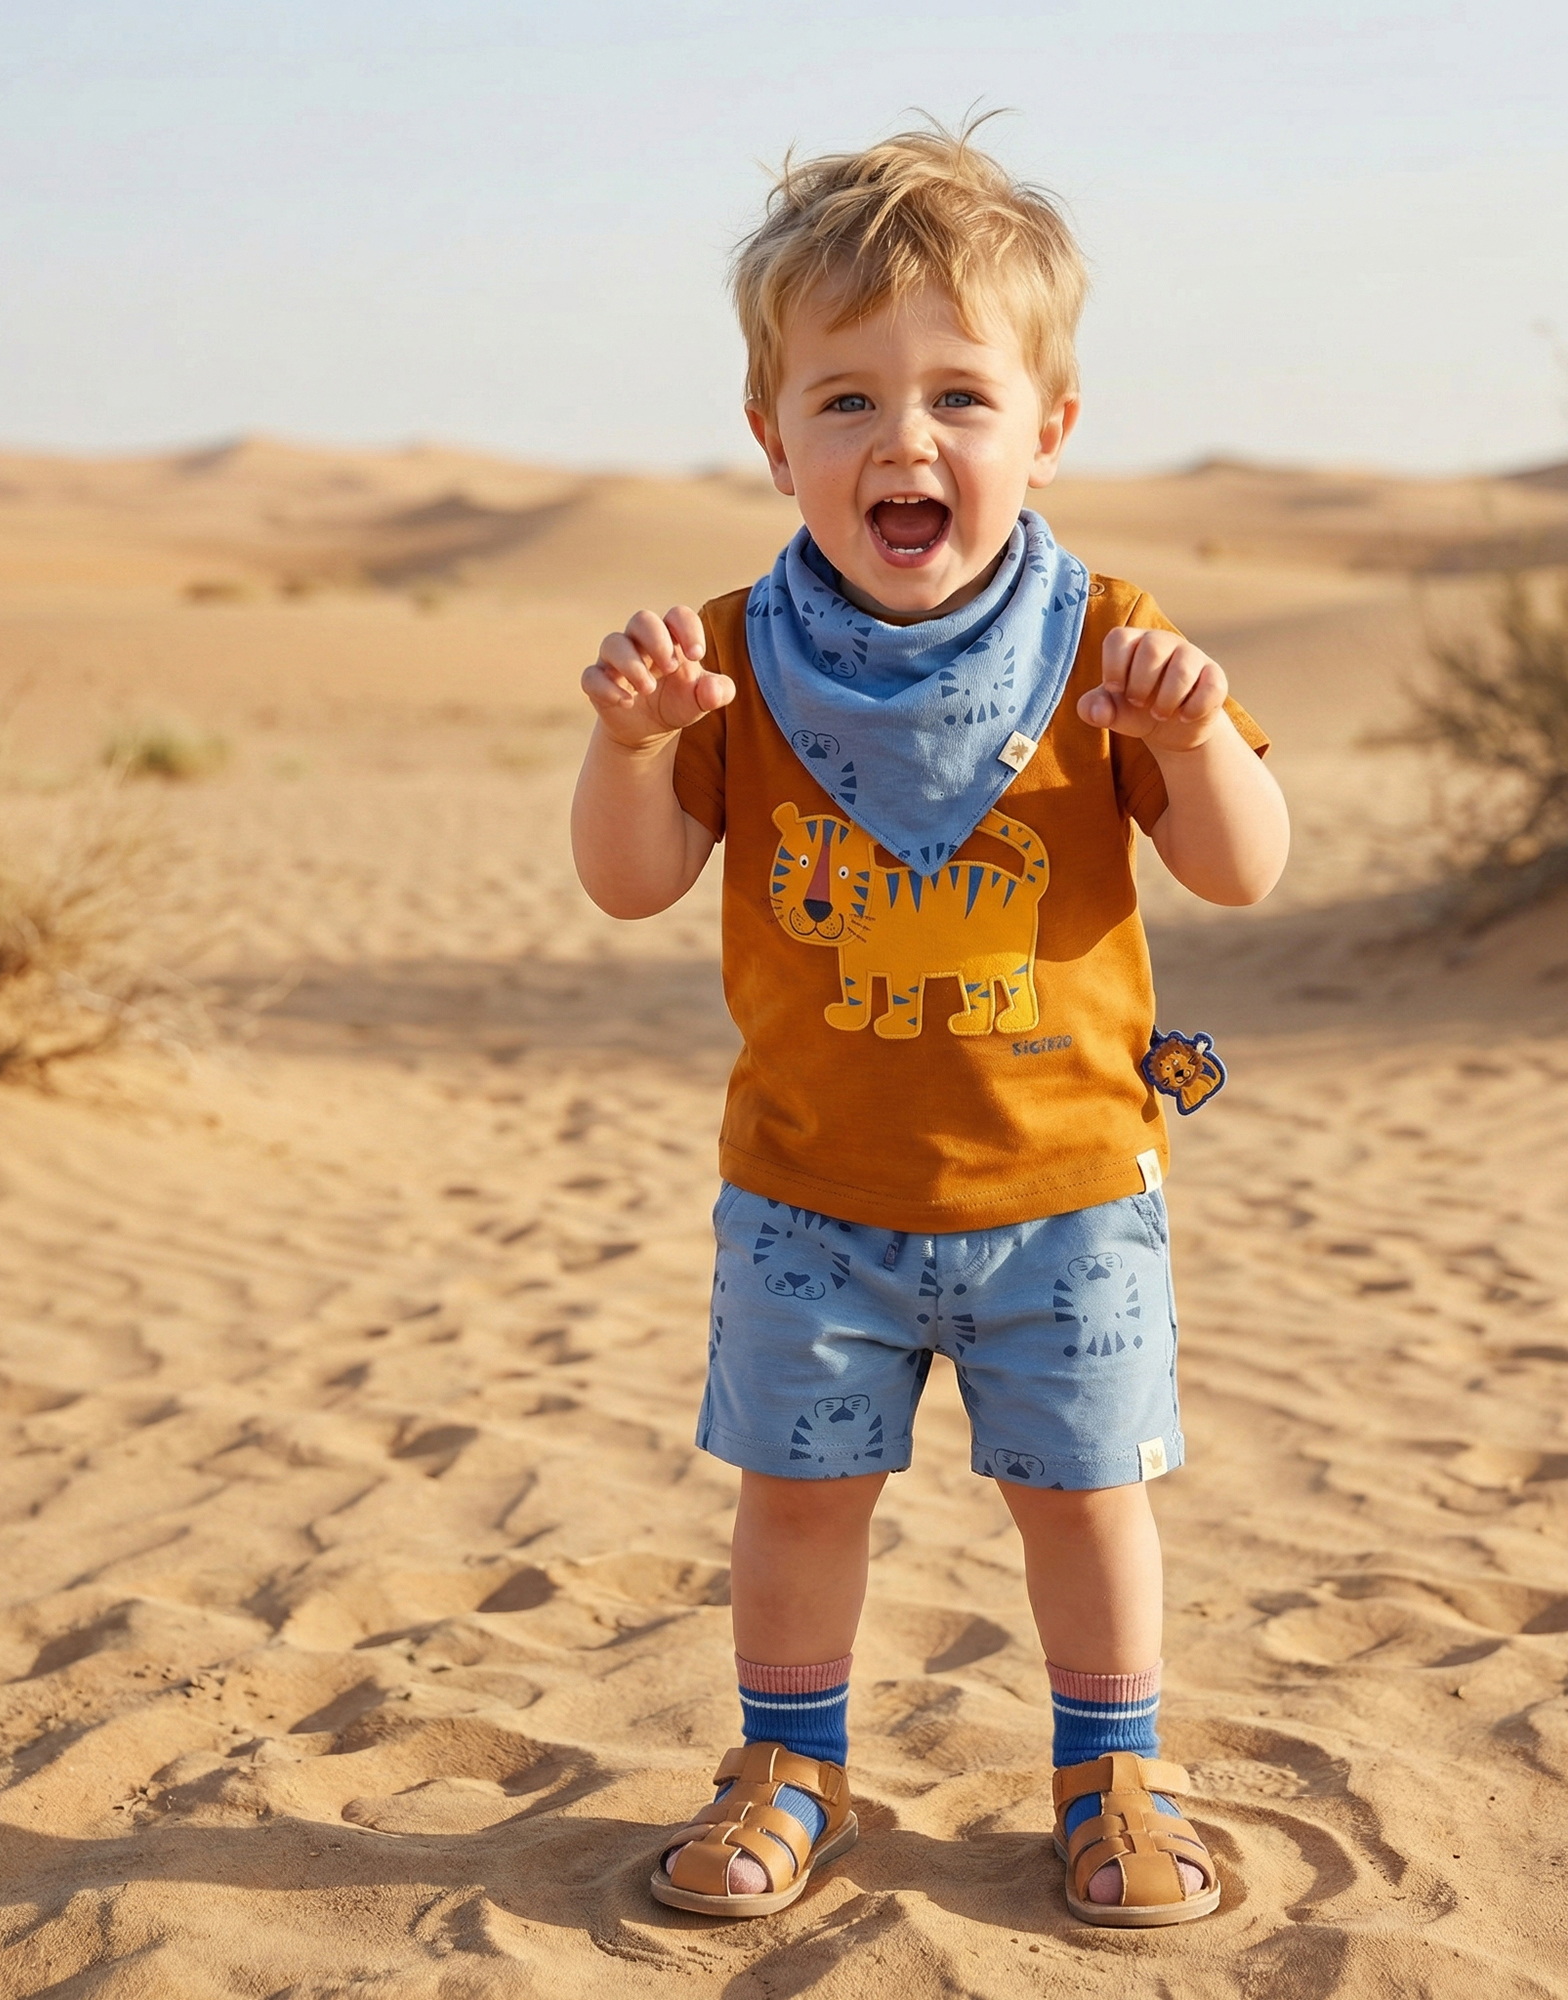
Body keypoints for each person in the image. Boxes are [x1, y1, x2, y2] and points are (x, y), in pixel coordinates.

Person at [571, 118, 1288, 1929]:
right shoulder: (730, 659)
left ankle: (1114, 1771)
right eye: (848, 400)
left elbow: (1241, 870)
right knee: (800, 1502)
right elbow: (631, 883)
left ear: (1049, 427)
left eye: (961, 396)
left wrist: (1196, 737)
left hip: (1070, 1195)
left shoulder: (1108, 641)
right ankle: (791, 1761)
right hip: (810, 1201)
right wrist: (632, 745)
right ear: (771, 436)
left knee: (1086, 1500)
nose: (905, 441)